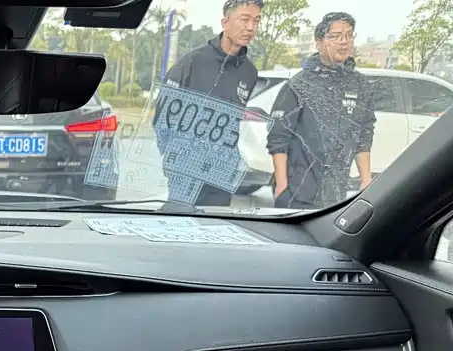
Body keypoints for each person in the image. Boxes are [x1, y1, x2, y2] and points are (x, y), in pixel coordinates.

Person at [153, 0, 261, 207]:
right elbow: (163, 112)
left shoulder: (250, 72)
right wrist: (173, 153)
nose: (251, 27)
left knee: (214, 223)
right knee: (181, 222)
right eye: (244, 19)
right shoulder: (193, 61)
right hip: (185, 169)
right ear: (225, 22)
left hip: (221, 172)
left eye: (256, 21)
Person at [267, 12, 376, 208]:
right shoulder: (299, 85)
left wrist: (365, 180)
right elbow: (278, 137)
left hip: (336, 191)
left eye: (348, 35)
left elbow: (364, 136)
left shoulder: (360, 86)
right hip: (297, 190)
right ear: (319, 42)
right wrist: (282, 183)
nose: (343, 42)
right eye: (335, 36)